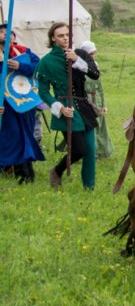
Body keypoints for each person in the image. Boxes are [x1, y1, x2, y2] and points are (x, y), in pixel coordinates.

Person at [36, 22, 100, 190]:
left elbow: (95, 74)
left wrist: (77, 60)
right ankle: (57, 171)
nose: (65, 38)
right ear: (53, 38)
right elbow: (43, 91)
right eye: (61, 35)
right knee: (79, 150)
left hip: (83, 106)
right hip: (66, 108)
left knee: (90, 152)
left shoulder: (80, 54)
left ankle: (89, 187)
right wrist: (59, 108)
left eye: (67, 35)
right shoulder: (46, 62)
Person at [0, 23, 44, 183]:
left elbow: (38, 67)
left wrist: (21, 65)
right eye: (2, 32)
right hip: (5, 105)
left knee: (25, 134)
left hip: (24, 102)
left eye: (9, 32)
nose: (6, 35)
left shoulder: (24, 52)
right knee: (11, 136)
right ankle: (15, 171)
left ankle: (25, 173)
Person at [79, 41, 116, 158]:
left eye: (94, 53)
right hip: (86, 99)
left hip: (97, 98)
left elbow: (100, 87)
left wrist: (103, 104)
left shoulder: (95, 66)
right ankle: (91, 152)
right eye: (91, 53)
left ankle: (102, 150)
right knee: (90, 125)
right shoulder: (79, 66)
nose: (93, 55)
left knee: (100, 125)